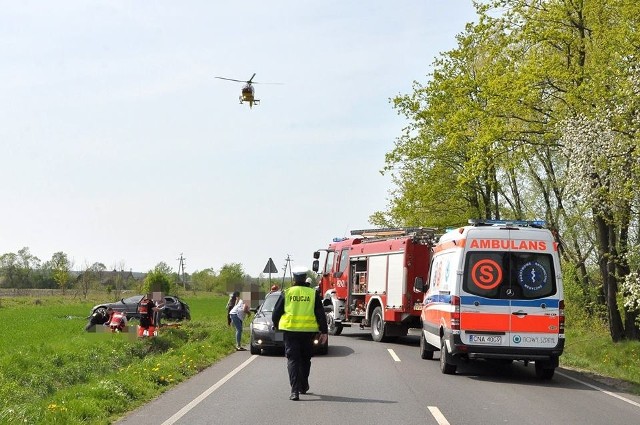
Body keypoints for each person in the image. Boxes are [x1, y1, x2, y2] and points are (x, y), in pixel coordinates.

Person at [272, 266, 328, 401]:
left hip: (290, 331)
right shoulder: (312, 293)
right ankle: (303, 385)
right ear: (304, 278)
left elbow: (276, 312)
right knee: (305, 359)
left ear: (294, 279)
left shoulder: (287, 292)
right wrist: (324, 331)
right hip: (308, 332)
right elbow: (320, 313)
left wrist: (276, 326)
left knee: (293, 360)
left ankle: (294, 391)